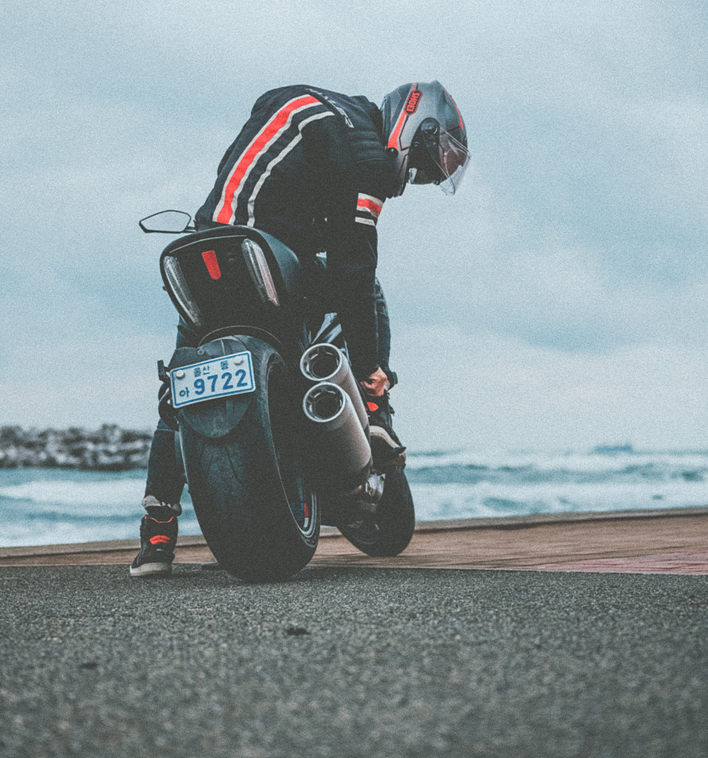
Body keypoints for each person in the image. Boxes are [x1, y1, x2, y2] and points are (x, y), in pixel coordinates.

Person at [131, 81, 470, 577]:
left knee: (181, 388)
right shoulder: (369, 154)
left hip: (206, 244)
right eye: (424, 162)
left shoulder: (320, 113)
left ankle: (157, 536)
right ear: (416, 125)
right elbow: (354, 269)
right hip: (267, 252)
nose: (416, 176)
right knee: (367, 290)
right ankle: (374, 406)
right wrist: (371, 365)